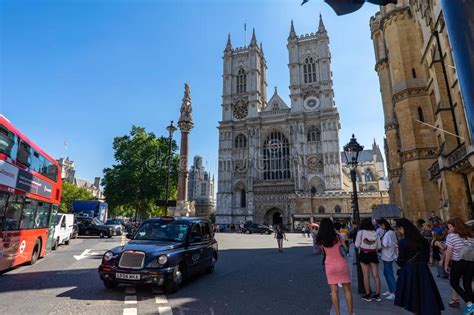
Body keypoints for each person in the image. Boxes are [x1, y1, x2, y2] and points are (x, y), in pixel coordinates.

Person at [394, 218, 444, 315]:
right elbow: (426, 257)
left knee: (413, 297)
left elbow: (401, 261)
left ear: (401, 228)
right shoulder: (423, 240)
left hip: (410, 271)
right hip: (423, 270)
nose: (398, 231)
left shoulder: (403, 242)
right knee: (425, 294)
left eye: (398, 229)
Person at [316, 218, 353, 315]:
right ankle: (350, 313)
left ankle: (337, 313)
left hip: (329, 265)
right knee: (347, 290)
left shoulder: (320, 238)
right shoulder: (338, 236)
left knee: (334, 291)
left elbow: (322, 250)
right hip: (341, 263)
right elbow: (345, 248)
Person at [444, 218, 474, 314]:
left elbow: (449, 251)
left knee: (454, 282)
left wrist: (446, 264)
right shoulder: (470, 235)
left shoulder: (451, 236)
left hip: (459, 263)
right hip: (471, 262)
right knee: (467, 284)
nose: (449, 229)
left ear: (455, 226)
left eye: (450, 227)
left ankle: (470, 304)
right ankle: (471, 308)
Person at [355, 218, 382, 302]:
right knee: (376, 276)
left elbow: (356, 245)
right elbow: (379, 247)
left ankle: (368, 295)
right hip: (373, 254)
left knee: (366, 276)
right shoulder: (375, 233)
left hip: (363, 254)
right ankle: (377, 295)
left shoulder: (361, 232)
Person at [377, 218, 398, 301]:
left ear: (383, 224)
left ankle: (394, 292)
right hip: (389, 254)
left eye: (380, 225)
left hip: (387, 255)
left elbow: (385, 244)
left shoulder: (388, 233)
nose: (380, 227)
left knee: (389, 274)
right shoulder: (391, 232)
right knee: (387, 273)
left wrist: (379, 242)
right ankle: (391, 290)